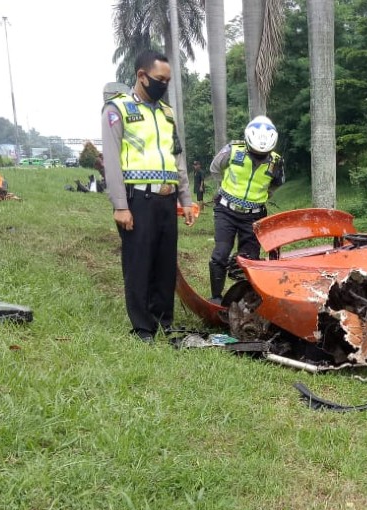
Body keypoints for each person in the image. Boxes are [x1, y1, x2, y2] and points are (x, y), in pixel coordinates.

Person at [102, 50, 195, 343]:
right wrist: (120, 205)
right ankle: (143, 327)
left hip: (167, 200)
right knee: (139, 263)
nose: (163, 84)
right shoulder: (117, 110)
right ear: (141, 76)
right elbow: (112, 161)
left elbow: (177, 158)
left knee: (165, 264)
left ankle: (163, 320)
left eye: (167, 80)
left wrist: (186, 198)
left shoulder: (167, 114)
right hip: (137, 200)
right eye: (159, 79)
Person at [207, 116, 285, 304]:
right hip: (226, 211)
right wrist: (226, 189)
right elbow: (215, 168)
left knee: (250, 260)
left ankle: (244, 299)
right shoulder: (233, 151)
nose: (259, 157)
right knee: (221, 254)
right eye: (256, 153)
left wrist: (260, 197)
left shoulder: (276, 162)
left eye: (263, 154)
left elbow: (277, 183)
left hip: (254, 216)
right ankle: (216, 297)